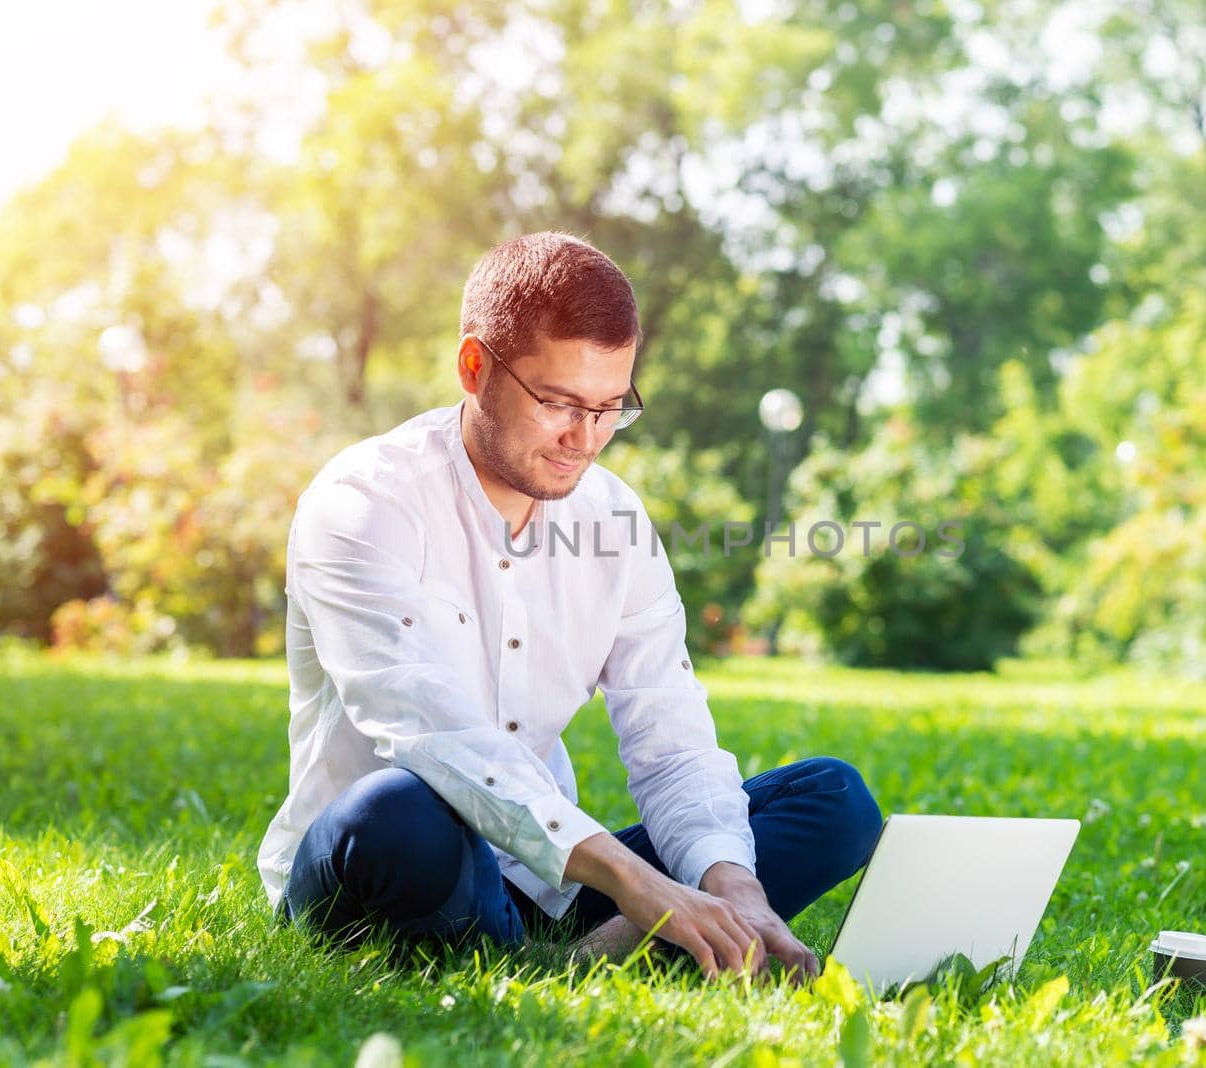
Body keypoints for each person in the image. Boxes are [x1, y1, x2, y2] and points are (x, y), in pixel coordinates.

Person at [256, 232, 882, 979]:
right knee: (396, 810)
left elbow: (670, 735)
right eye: (557, 402)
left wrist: (733, 890)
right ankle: (601, 951)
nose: (584, 439)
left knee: (831, 799)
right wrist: (642, 887)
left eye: (611, 407)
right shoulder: (363, 502)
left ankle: (585, 951)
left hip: (543, 881)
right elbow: (433, 732)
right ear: (473, 366)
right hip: (387, 863)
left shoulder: (614, 521)